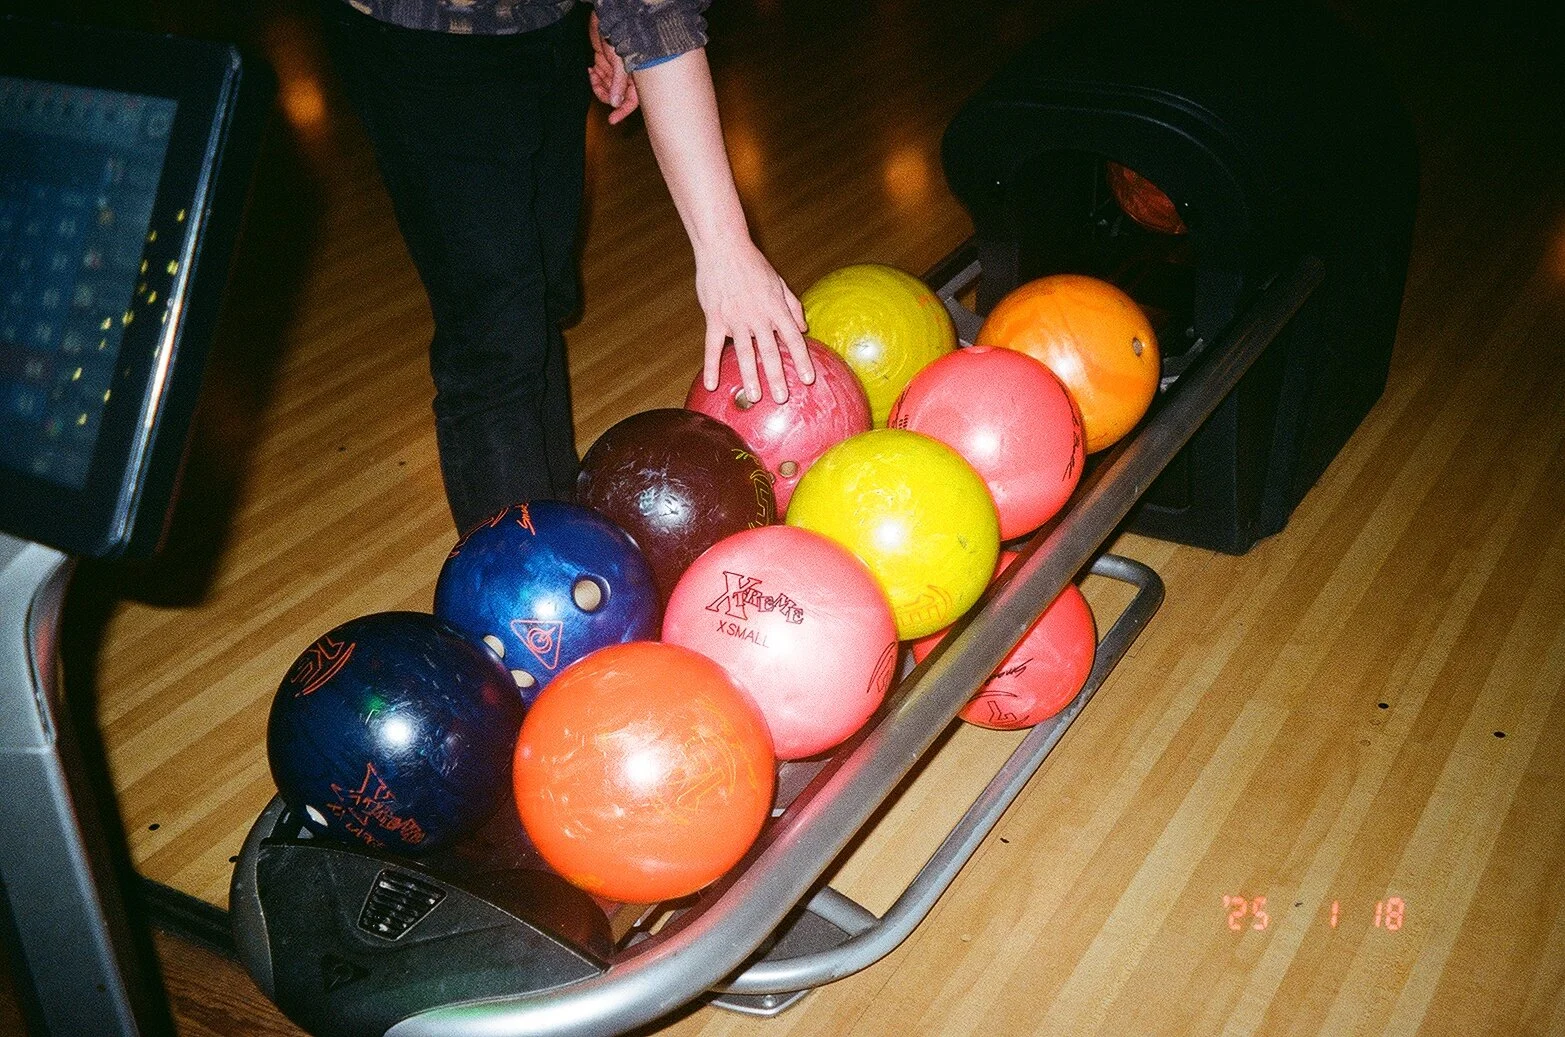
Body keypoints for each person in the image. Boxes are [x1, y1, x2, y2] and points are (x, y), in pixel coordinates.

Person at [317, 0, 814, 533]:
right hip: (423, 42)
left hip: (546, 26)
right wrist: (726, 248)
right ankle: (522, 573)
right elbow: (655, 16)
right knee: (495, 337)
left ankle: (557, 512)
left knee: (542, 295)